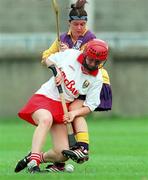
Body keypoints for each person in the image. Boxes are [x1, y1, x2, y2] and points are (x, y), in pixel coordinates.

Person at [14, 0, 112, 173]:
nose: (94, 63)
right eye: (76, 24)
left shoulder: (96, 74)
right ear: (70, 24)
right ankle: (35, 163)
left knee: (62, 153)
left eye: (83, 24)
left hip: (64, 104)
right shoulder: (70, 53)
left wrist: (73, 113)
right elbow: (47, 58)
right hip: (46, 98)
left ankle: (37, 156)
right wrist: (55, 67)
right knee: (46, 119)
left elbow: (90, 105)